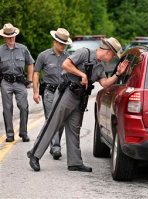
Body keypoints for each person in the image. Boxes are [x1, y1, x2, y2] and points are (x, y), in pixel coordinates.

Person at [27, 37, 129, 172]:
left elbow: (105, 84)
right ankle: (35, 155)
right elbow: (65, 64)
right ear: (108, 52)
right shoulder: (84, 53)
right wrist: (82, 74)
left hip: (79, 99)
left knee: (74, 129)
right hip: (67, 93)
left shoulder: (99, 67)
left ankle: (75, 162)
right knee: (53, 123)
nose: (112, 59)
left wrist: (117, 74)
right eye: (113, 55)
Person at [33, 28, 72, 160]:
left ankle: (54, 144)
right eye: (61, 43)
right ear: (54, 41)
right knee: (51, 118)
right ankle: (55, 146)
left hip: (62, 92)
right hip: (49, 92)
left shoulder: (68, 58)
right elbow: (36, 72)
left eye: (65, 44)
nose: (63, 46)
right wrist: (35, 92)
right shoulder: (43, 56)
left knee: (60, 120)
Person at [0, 23, 34, 142]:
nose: (11, 39)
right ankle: (10, 134)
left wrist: (29, 79)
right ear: (4, 37)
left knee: (24, 107)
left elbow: (30, 63)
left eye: (13, 36)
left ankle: (23, 133)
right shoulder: (0, 50)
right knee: (7, 108)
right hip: (5, 82)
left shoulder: (23, 49)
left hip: (20, 82)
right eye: (9, 37)